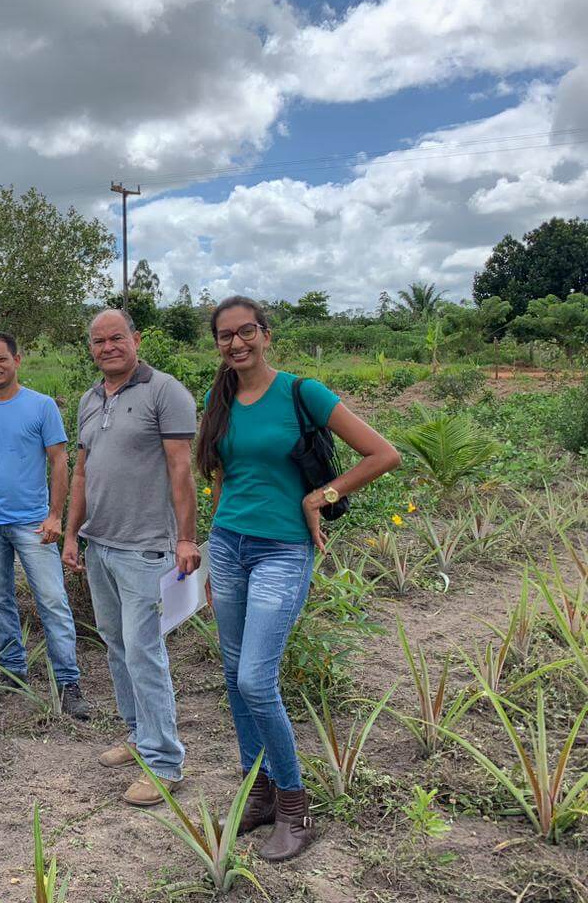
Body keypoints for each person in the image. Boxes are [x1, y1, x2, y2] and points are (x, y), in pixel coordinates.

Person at [196, 296, 399, 861]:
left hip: (282, 551)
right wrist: (213, 548)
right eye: (225, 336)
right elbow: (222, 475)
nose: (236, 343)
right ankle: (257, 792)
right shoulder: (221, 397)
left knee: (258, 680)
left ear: (265, 334)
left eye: (246, 332)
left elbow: (383, 453)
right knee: (235, 676)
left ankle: (295, 804)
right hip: (230, 546)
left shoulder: (300, 391)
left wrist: (323, 494)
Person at [62, 309, 199, 807]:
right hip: (100, 544)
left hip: (146, 548)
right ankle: (139, 735)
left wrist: (186, 539)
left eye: (116, 337)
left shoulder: (166, 392)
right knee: (116, 645)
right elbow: (82, 473)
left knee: (144, 652)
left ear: (135, 339)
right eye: (97, 341)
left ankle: (165, 763)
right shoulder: (90, 398)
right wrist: (73, 536)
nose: (107, 347)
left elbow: (181, 469)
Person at [0, 332, 89, 720]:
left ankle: (68, 681)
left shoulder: (41, 407)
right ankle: (13, 670)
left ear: (18, 359)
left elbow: (59, 461)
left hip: (33, 523)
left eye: (1, 359)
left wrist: (55, 515)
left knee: (52, 600)